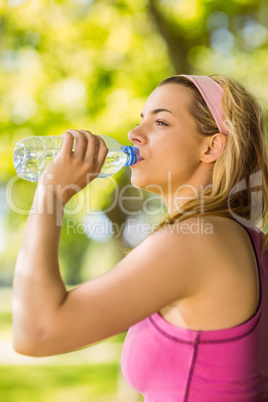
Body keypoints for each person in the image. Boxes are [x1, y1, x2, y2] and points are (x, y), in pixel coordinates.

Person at [12, 74, 268, 401]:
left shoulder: (195, 241)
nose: (134, 135)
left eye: (160, 121)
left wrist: (51, 193)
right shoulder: (248, 239)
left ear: (211, 146)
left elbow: (35, 333)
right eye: (140, 119)